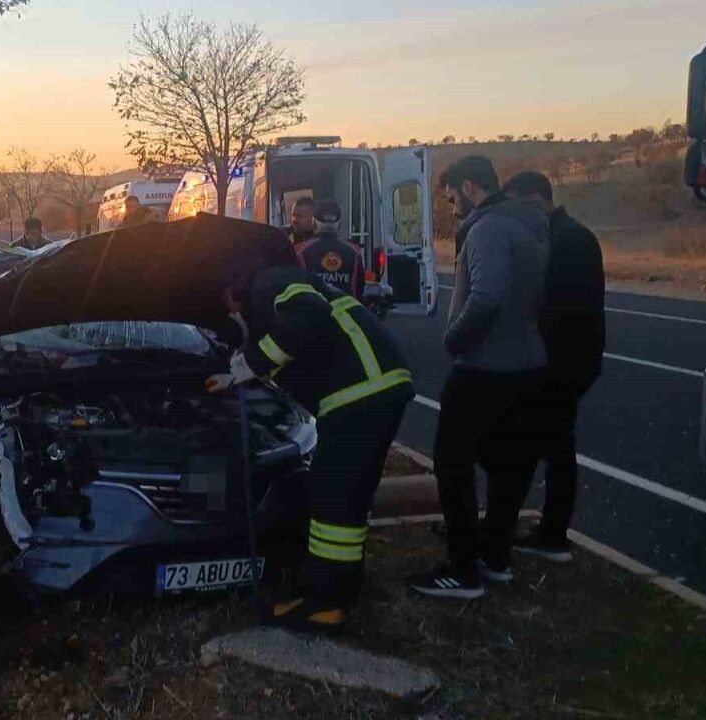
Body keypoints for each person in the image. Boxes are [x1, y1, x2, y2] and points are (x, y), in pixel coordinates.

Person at [208, 262, 414, 633]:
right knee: (343, 496)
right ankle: (333, 591)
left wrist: (253, 362)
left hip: (361, 391)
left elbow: (310, 314)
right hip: (371, 389)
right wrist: (236, 374)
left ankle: (326, 602)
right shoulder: (272, 287)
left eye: (228, 306)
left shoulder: (270, 280)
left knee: (335, 497)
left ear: (231, 289)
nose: (231, 314)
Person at [407, 155, 549, 599]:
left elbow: (485, 298)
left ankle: (463, 569)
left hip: (484, 369)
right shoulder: (530, 226)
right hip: (526, 367)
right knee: (509, 466)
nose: (451, 208)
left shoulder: (488, 229)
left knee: (452, 463)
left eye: (451, 197)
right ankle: (495, 557)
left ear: (470, 188)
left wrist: (454, 339)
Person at [503, 170, 605, 563]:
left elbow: (561, 311)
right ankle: (539, 528)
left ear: (535, 199)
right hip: (562, 359)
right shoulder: (566, 236)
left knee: (552, 445)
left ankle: (552, 534)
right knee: (546, 443)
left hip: (560, 362)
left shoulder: (569, 240)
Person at [293, 197, 365, 299]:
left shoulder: (299, 250)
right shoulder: (355, 251)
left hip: (312, 311)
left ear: (314, 223)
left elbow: (294, 287)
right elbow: (360, 290)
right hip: (347, 313)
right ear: (339, 224)